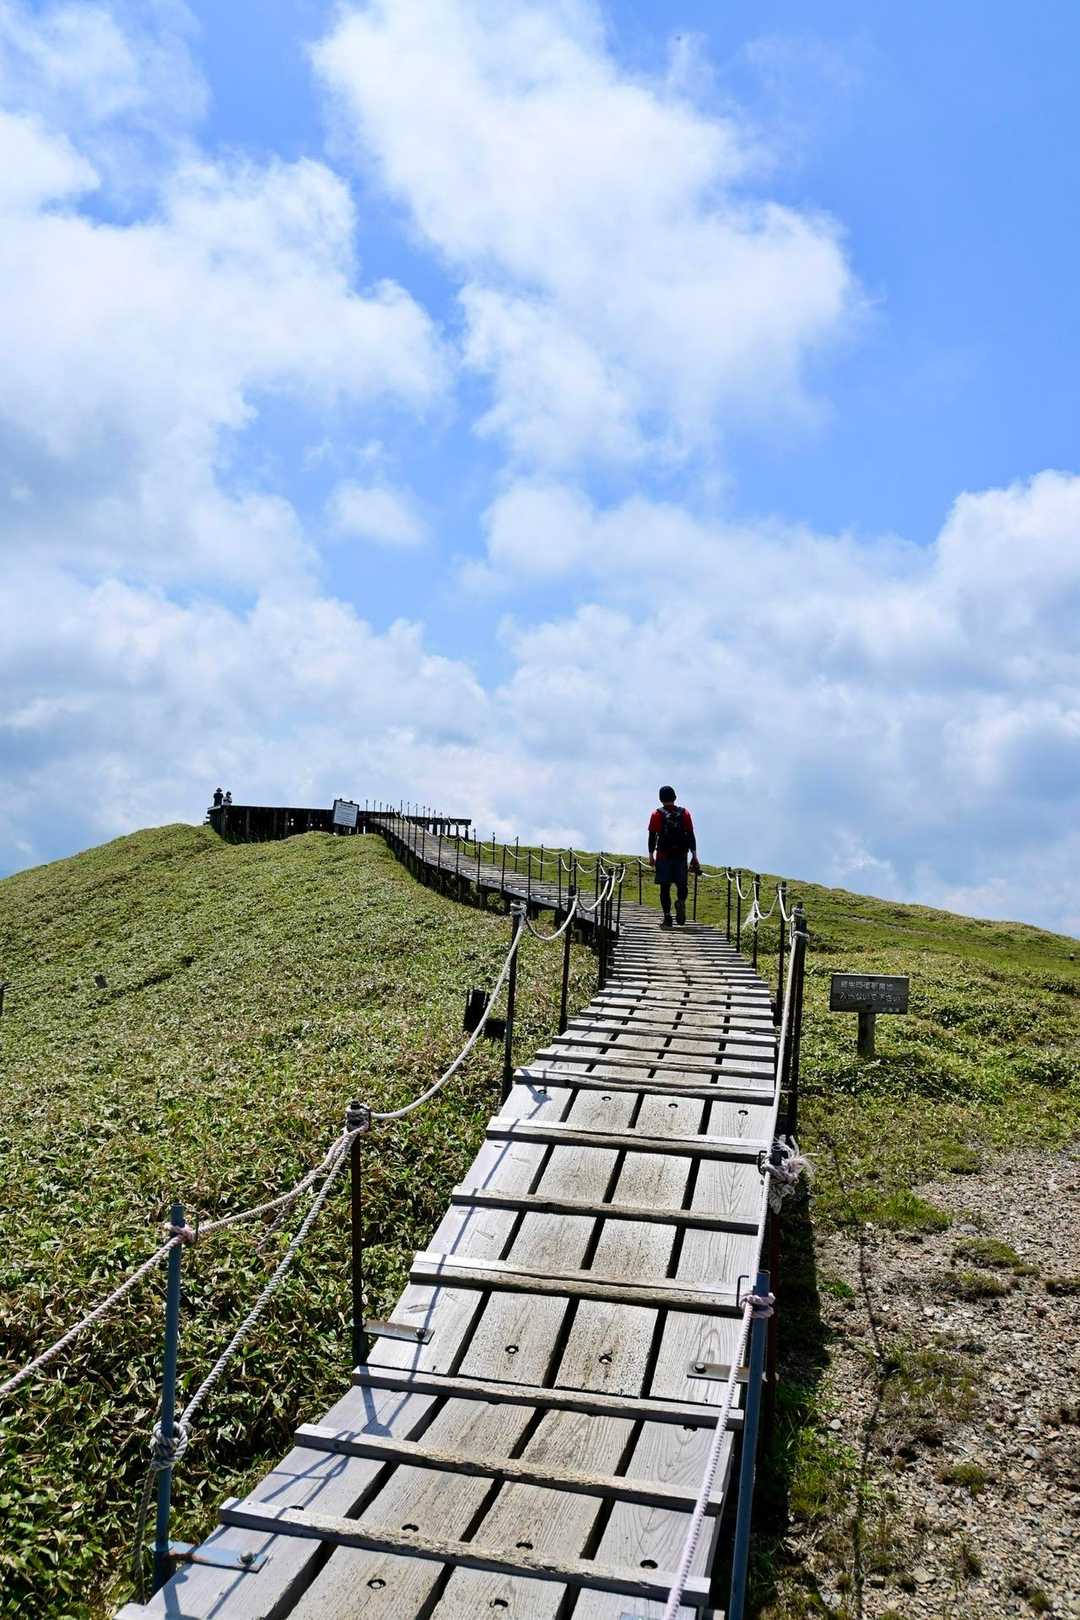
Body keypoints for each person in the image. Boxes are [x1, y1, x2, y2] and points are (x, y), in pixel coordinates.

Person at [648, 786, 701, 928]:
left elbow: (652, 837)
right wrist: (694, 855)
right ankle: (681, 902)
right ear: (675, 797)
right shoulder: (684, 813)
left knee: (664, 888)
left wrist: (651, 855)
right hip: (681, 855)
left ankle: (667, 917)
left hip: (663, 855)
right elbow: (691, 835)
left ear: (660, 799)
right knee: (681, 884)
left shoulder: (656, 814)